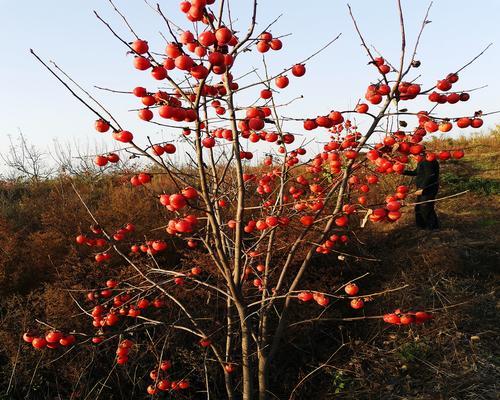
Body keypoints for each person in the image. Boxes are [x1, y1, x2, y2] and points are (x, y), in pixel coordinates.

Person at [403, 158, 440, 230]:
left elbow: (430, 175)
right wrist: (403, 172)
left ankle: (433, 228)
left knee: (426, 208)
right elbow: (416, 172)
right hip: (423, 189)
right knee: (419, 208)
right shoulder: (422, 161)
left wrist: (422, 188)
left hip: (428, 189)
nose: (413, 156)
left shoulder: (429, 160)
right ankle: (421, 226)